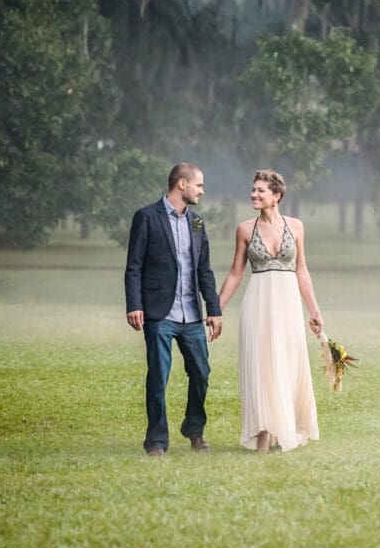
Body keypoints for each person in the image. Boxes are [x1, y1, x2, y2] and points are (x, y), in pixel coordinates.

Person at [218, 170, 322, 452]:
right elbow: (236, 274)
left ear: (276, 196)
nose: (254, 194)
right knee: (262, 366)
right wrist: (216, 309)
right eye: (253, 190)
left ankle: (284, 428)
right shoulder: (244, 229)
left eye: (260, 191)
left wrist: (314, 311)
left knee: (287, 363)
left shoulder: (296, 227)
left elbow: (302, 271)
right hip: (258, 303)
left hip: (288, 305)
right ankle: (264, 435)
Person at [124, 163, 223, 456]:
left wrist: (214, 309)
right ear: (182, 184)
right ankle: (156, 440)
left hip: (192, 315)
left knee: (201, 373)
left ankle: (194, 429)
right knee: (158, 376)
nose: (202, 191)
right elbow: (134, 267)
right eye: (199, 185)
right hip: (159, 313)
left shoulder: (196, 223)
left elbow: (204, 269)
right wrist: (135, 305)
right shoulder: (146, 217)